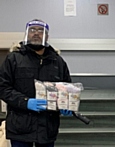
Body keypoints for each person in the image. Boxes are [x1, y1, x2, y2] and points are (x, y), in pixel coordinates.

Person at [0, 19, 72, 147]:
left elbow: (66, 88)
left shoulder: (57, 62)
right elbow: (3, 87)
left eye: (41, 30)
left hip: (47, 128)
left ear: (47, 36)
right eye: (32, 30)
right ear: (27, 34)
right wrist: (26, 102)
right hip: (20, 127)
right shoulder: (14, 59)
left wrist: (66, 105)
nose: (36, 33)